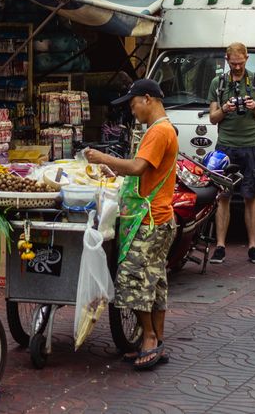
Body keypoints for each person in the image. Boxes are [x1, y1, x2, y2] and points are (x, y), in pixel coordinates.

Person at [85, 79, 178, 370]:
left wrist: (104, 157)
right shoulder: (162, 129)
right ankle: (157, 340)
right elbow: (143, 173)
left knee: (131, 279)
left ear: (147, 98)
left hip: (150, 220)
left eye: (133, 103)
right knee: (155, 280)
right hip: (160, 217)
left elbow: (138, 167)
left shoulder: (159, 131)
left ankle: (149, 338)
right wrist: (114, 170)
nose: (132, 110)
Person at [207, 42, 255, 265]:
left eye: (240, 63)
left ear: (247, 59)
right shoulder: (218, 83)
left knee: (251, 196)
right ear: (227, 60)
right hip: (225, 146)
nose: (237, 68)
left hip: (251, 145)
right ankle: (220, 246)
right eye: (233, 64)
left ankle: (253, 246)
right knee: (223, 196)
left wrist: (253, 106)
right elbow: (212, 118)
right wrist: (224, 109)